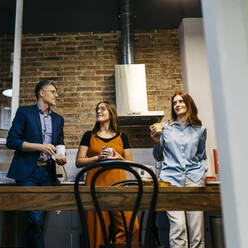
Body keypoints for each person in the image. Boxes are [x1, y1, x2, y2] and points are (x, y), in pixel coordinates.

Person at [6, 79, 67, 248]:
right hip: (27, 173)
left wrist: (61, 156)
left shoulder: (58, 119)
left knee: (40, 220)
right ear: (42, 93)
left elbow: (60, 144)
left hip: (48, 174)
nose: (56, 95)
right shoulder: (24, 112)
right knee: (34, 218)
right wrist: (39, 147)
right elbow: (11, 141)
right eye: (53, 91)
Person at [76, 101, 139, 248]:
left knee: (131, 227)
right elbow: (79, 161)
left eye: (102, 109)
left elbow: (130, 163)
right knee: (96, 233)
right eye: (97, 109)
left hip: (118, 187)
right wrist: (98, 158)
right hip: (95, 188)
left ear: (111, 113)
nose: (98, 111)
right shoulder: (88, 135)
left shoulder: (122, 136)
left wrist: (118, 157)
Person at [150, 92, 207, 248]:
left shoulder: (200, 129)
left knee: (196, 232)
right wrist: (156, 142)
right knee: (178, 227)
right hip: (170, 180)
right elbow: (158, 156)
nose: (178, 105)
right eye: (175, 103)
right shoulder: (165, 128)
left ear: (188, 104)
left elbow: (202, 155)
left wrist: (202, 171)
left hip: (194, 179)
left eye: (181, 101)